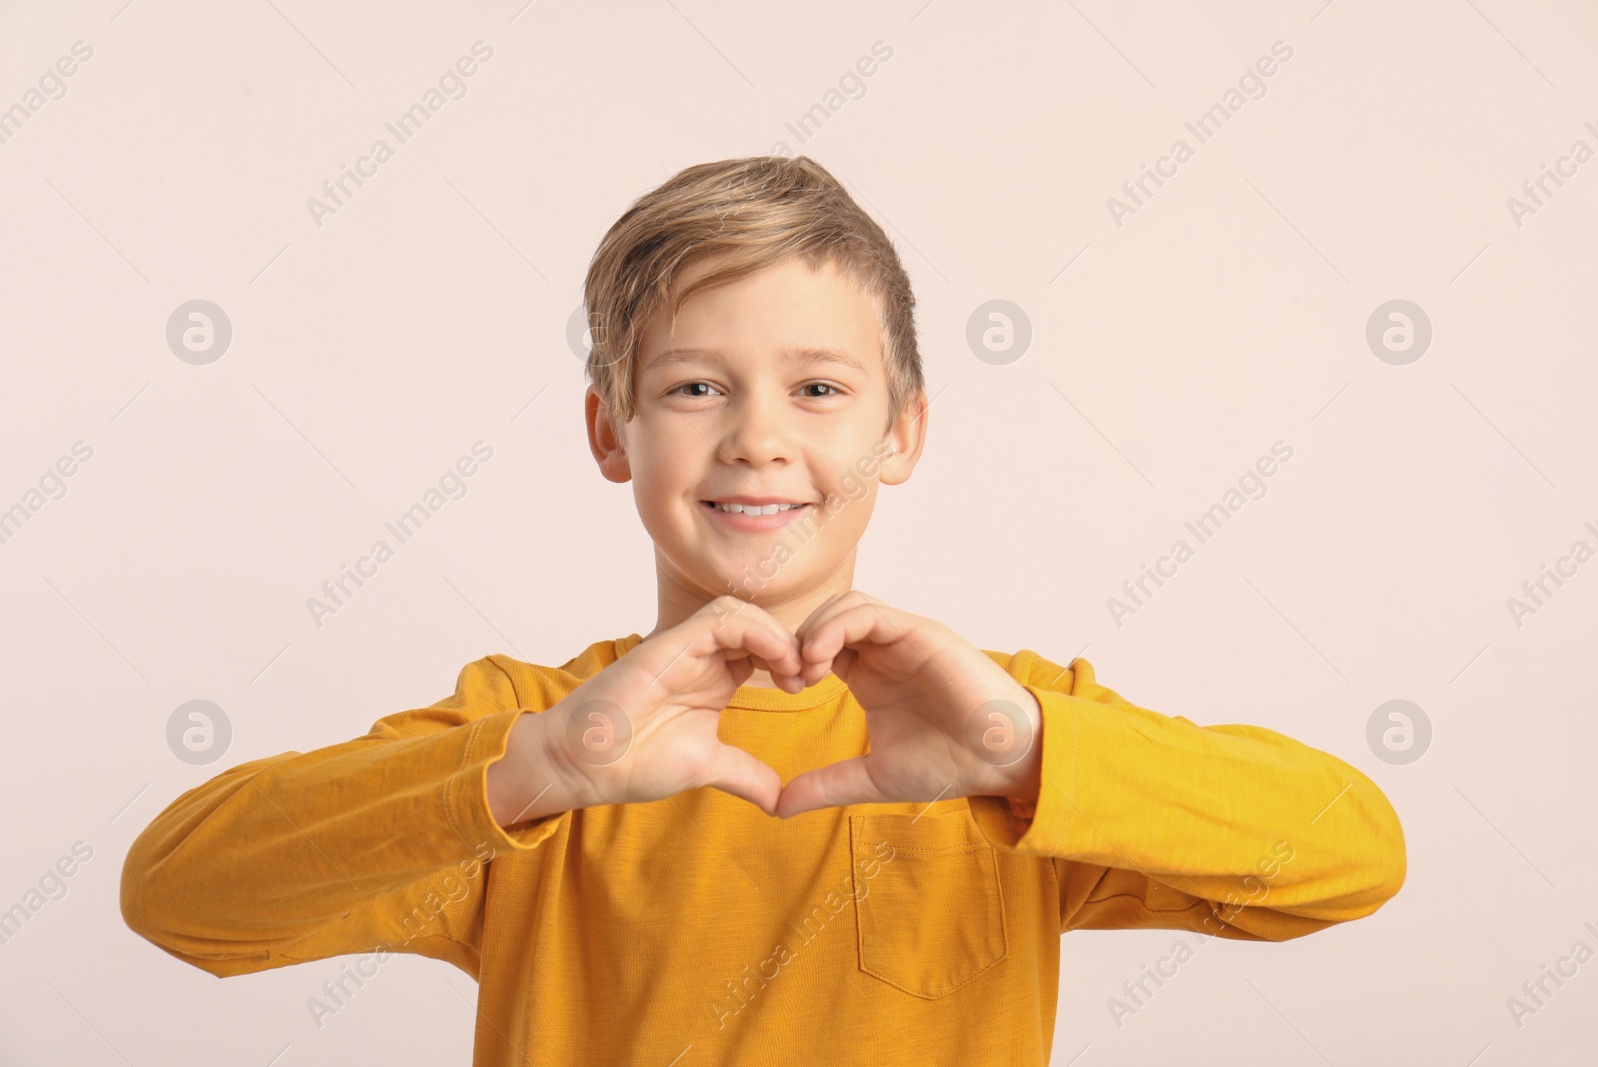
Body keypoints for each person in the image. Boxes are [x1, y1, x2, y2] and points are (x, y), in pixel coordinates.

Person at [120, 155, 1406, 1065]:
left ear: (901, 432)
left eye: (818, 389)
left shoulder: (1005, 723)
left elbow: (1352, 854)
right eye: (691, 387)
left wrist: (1024, 753)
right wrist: (536, 769)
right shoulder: (534, 735)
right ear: (608, 431)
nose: (756, 440)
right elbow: (180, 892)